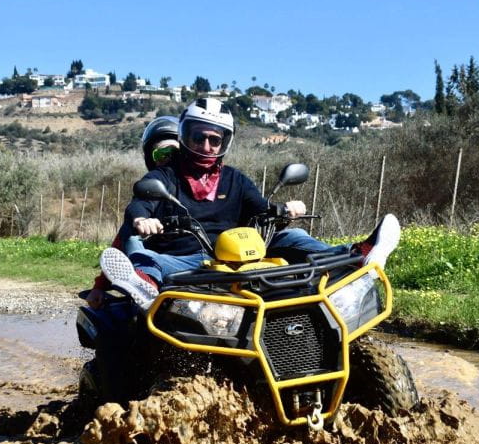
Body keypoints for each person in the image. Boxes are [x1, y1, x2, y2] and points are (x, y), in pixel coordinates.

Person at [98, 97, 400, 310]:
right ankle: (142, 284)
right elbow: (139, 206)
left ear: (224, 143)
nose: (206, 146)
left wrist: (283, 209)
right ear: (185, 135)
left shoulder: (235, 179)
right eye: (198, 137)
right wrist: (141, 221)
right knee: (139, 249)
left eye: (214, 140)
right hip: (187, 262)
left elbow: (260, 207)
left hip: (238, 259)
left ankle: (357, 256)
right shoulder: (163, 177)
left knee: (292, 236)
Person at [84, 116, 181, 309]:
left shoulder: (202, 188)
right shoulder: (148, 190)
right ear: (150, 158)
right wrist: (99, 286)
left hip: (197, 263)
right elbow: (124, 238)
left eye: (176, 153)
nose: (170, 160)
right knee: (131, 235)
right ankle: (144, 284)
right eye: (162, 154)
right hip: (156, 264)